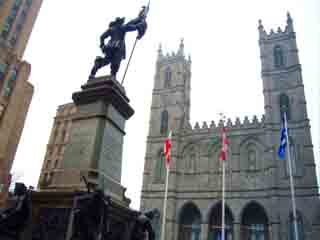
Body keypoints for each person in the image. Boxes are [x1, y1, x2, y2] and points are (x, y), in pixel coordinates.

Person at [89, 7, 148, 80]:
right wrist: (141, 24)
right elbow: (134, 26)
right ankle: (112, 75)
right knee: (116, 62)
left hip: (109, 46)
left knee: (106, 60)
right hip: (118, 46)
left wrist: (102, 45)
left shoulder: (111, 29)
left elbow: (102, 37)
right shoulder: (122, 27)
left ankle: (94, 70)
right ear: (120, 22)